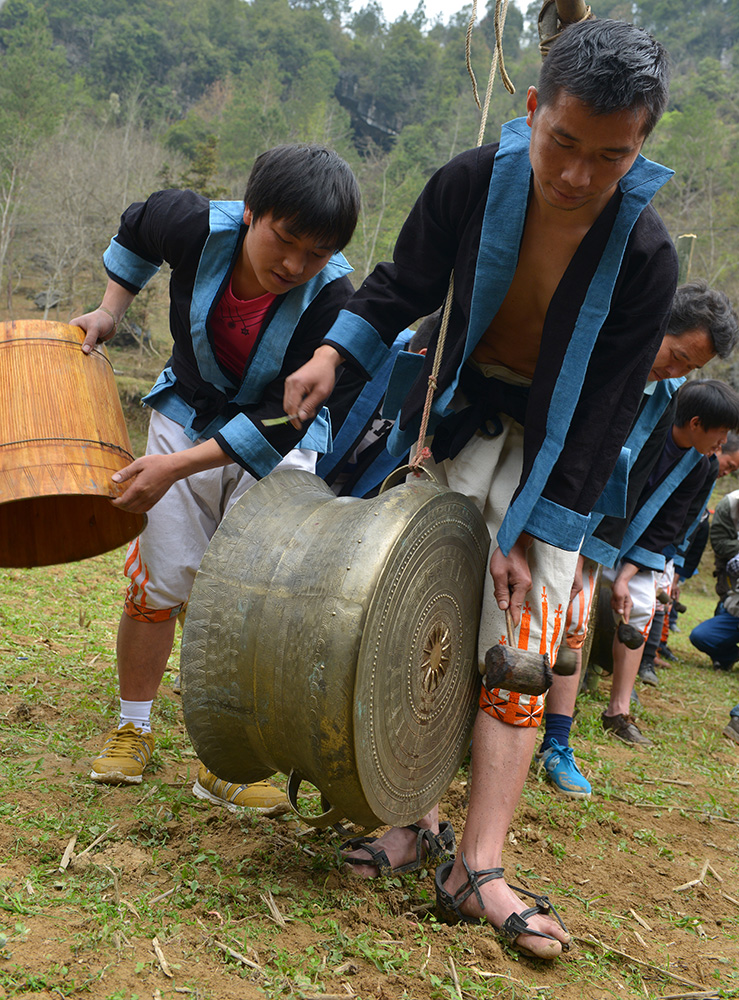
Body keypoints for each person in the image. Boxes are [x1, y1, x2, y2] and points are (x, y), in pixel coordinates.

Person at [282, 19, 675, 959]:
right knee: (420, 622)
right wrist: (336, 353)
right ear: (531, 109)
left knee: (520, 647)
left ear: (641, 145)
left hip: (555, 461)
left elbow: (606, 411)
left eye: (610, 157)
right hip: (451, 423)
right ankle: (402, 820)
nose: (579, 175)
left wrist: (531, 530)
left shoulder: (646, 254)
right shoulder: (470, 180)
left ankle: (478, 867)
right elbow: (399, 284)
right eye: (564, 145)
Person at [71, 144, 361, 810]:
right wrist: (112, 309)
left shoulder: (332, 303)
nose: (292, 265)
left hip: (276, 440)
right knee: (159, 580)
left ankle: (229, 761)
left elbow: (288, 419)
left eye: (314, 255)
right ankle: (132, 727)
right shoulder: (193, 225)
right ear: (250, 213)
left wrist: (178, 466)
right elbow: (136, 226)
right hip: (187, 408)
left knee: (254, 598)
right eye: (283, 240)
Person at [536, 282, 739, 794]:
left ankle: (557, 741)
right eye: (677, 355)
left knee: (576, 621)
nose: (677, 371)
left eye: (691, 368)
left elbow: (627, 483)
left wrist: (602, 561)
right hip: (538, 497)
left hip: (590, 528)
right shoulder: (602, 348)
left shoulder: (669, 406)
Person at [601, 380, 739, 744]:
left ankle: (618, 709)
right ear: (695, 423)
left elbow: (671, 521)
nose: (722, 444)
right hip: (601, 527)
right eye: (720, 433)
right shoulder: (646, 429)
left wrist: (626, 573)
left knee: (642, 605)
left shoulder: (702, 465)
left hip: (642, 545)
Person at [690, 487, 739, 671]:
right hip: (734, 599)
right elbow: (719, 543)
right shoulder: (730, 504)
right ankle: (729, 655)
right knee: (701, 636)